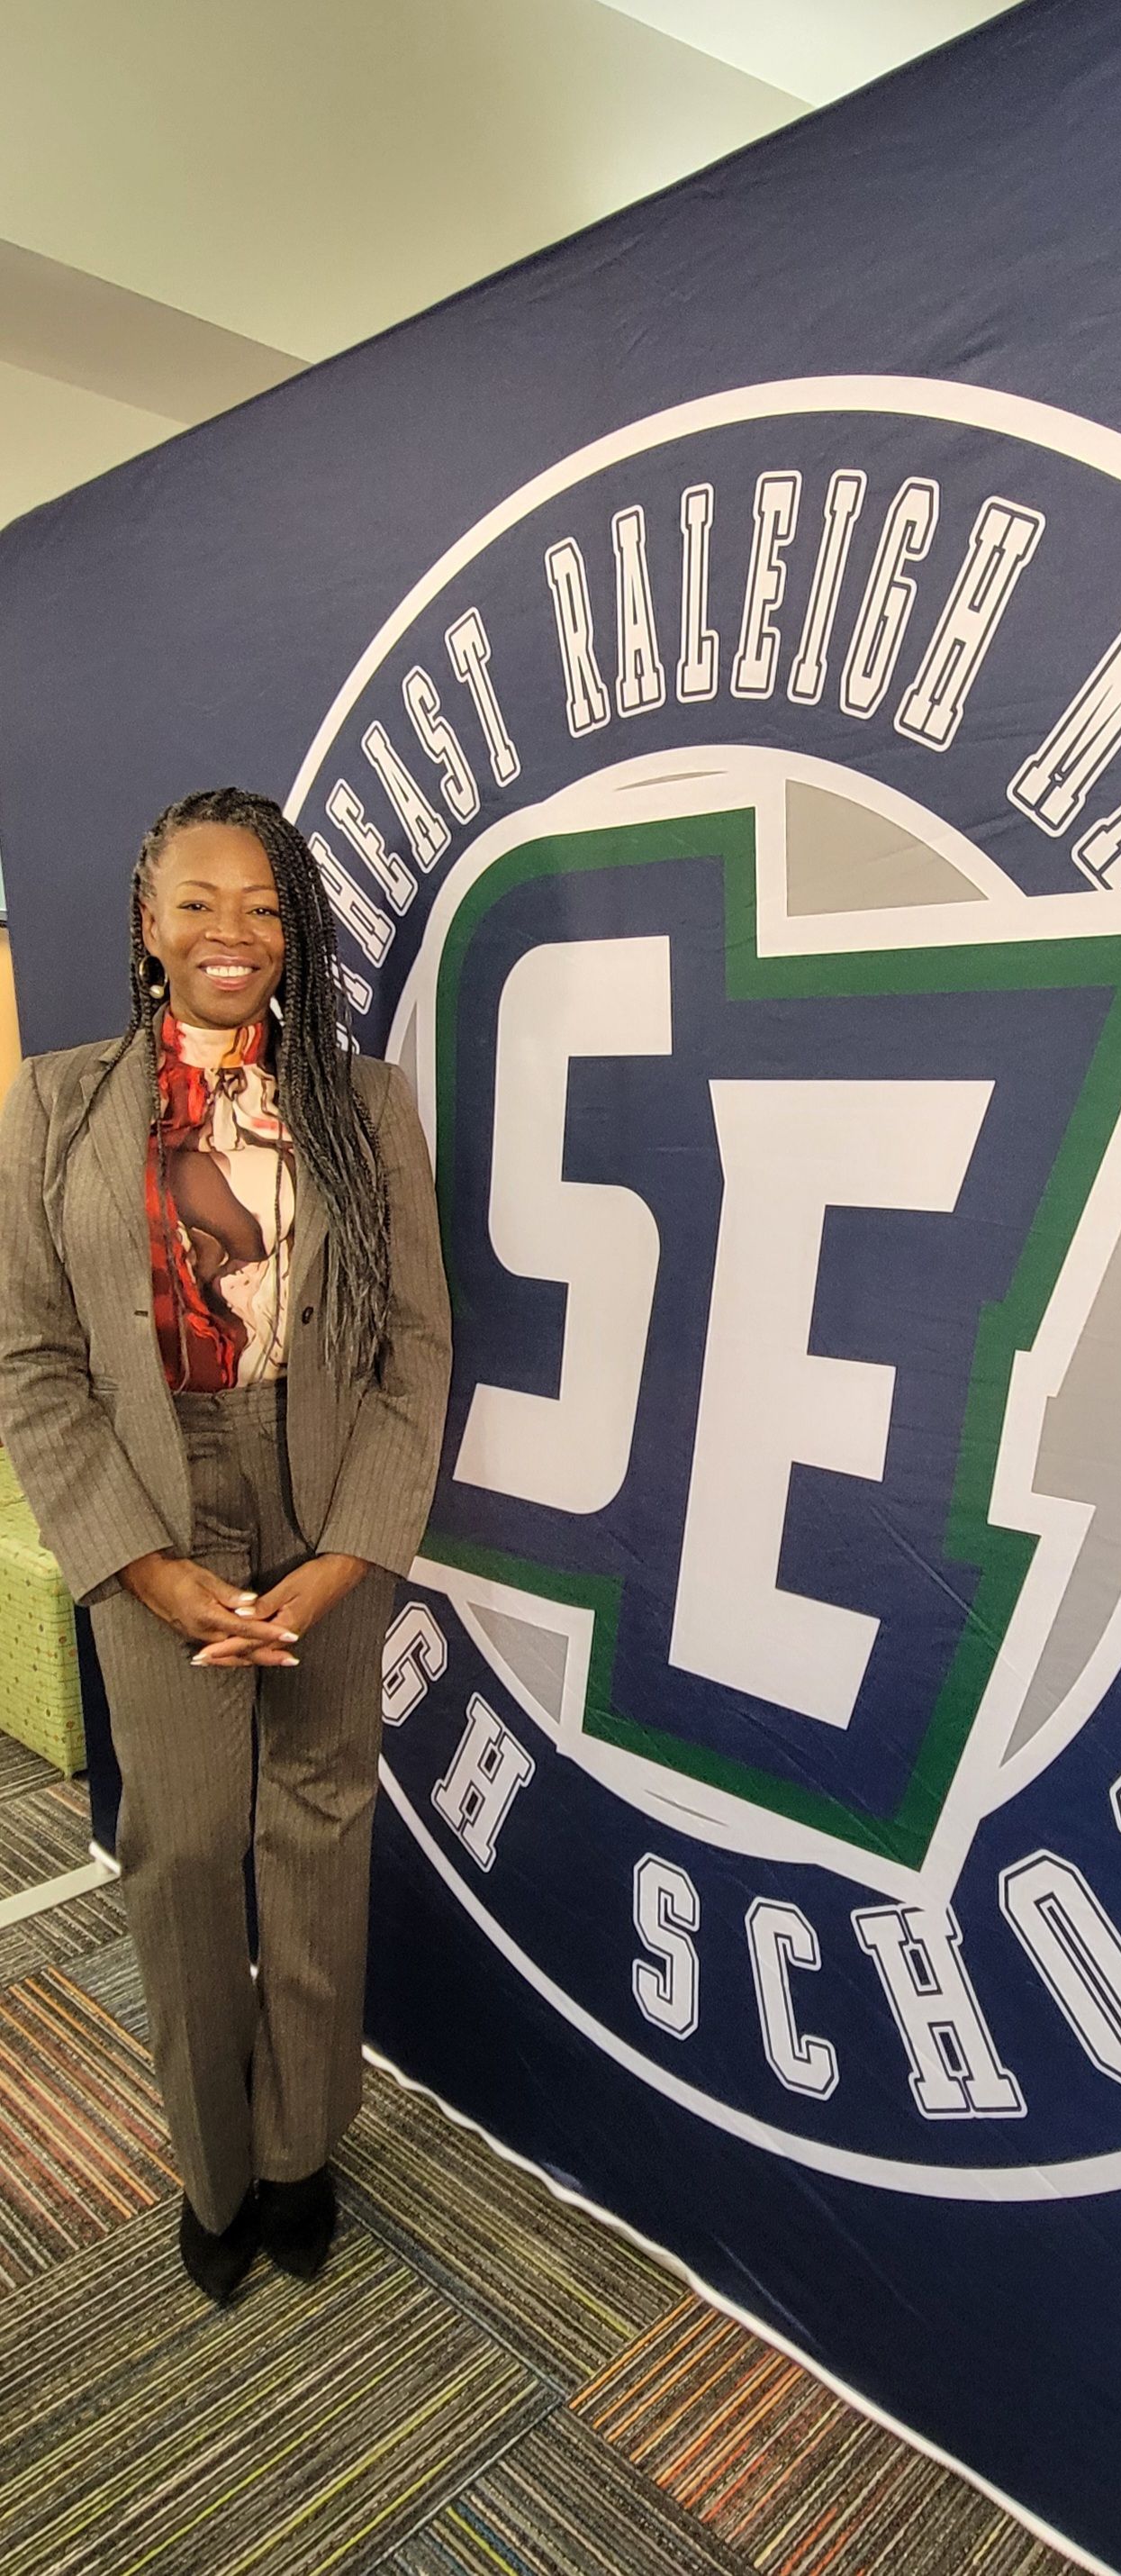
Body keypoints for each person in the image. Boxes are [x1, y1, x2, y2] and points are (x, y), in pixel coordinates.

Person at [0, 788, 451, 2304]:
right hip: (146, 1490)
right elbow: (31, 1358)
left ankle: (301, 2150)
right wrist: (139, 1561)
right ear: (147, 926)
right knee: (183, 1847)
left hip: (323, 1489)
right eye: (197, 903)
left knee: (317, 1828)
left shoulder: (365, 1107)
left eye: (262, 905)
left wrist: (350, 1551)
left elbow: (414, 1349)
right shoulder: (53, 1106)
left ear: (294, 930)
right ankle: (213, 2167)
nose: (231, 933)